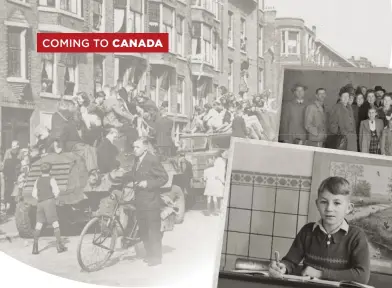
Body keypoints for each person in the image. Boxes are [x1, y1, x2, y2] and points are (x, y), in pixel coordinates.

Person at [269, 176, 370, 284]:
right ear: (317, 204)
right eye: (324, 202)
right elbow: (290, 261)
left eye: (337, 203)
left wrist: (320, 273)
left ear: (349, 208)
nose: (329, 208)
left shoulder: (356, 236)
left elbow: (362, 276)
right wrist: (282, 267)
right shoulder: (307, 231)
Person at [122, 137, 169, 266]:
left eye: (137, 147)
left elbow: (164, 178)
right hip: (140, 202)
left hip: (151, 201)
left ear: (145, 147)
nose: (134, 150)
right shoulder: (137, 159)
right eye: (133, 147)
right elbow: (133, 174)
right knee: (143, 230)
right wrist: (121, 175)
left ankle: (156, 258)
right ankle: (149, 254)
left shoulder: (152, 159)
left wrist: (148, 183)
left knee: (153, 230)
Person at [31, 162, 67, 254]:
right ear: (50, 170)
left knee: (39, 223)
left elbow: (34, 194)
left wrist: (40, 198)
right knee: (55, 223)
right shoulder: (51, 179)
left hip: (40, 203)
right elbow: (56, 191)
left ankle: (35, 247)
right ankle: (59, 246)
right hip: (49, 202)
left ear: (41, 170)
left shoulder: (37, 180)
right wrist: (52, 197)